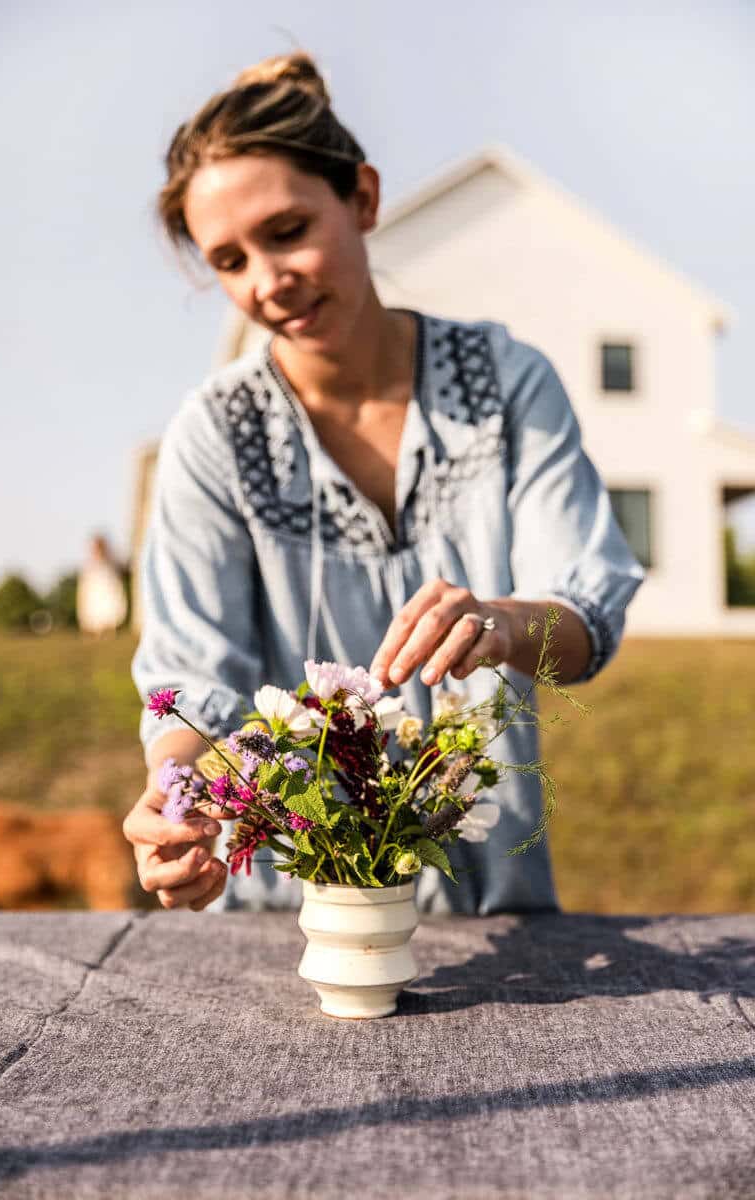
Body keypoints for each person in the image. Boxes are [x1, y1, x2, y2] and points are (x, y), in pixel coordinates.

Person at [123, 51, 644, 916]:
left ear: (362, 198)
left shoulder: (508, 387)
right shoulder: (212, 436)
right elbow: (187, 679)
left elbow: (588, 620)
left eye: (287, 231)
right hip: (284, 926)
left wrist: (502, 622)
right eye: (229, 259)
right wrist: (174, 796)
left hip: (488, 906)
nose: (266, 281)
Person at [76, 534, 128, 636]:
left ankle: (110, 630)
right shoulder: (89, 565)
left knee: (109, 607)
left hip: (108, 590)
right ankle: (97, 630)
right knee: (95, 608)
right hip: (95, 591)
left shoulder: (111, 562)